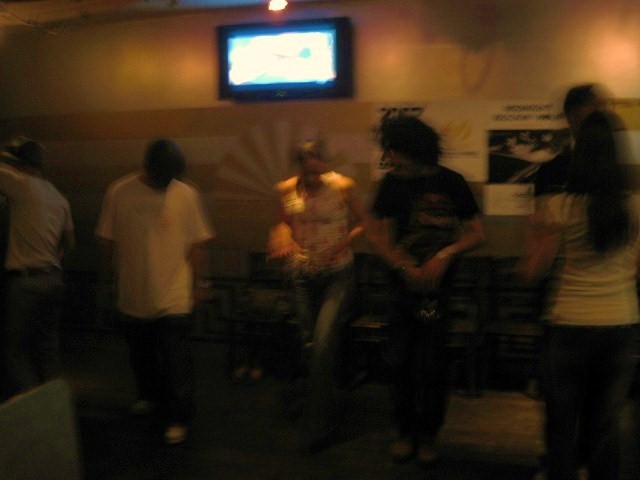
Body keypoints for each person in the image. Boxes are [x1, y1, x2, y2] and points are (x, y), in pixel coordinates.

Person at [520, 109, 639, 480]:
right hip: (621, 322)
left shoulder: (557, 207)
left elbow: (533, 272)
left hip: (569, 321)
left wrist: (534, 234)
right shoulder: (635, 205)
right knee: (606, 422)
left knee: (561, 421)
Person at [366, 115, 484, 465]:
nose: (389, 158)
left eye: (395, 151)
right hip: (401, 289)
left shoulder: (452, 182)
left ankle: (429, 434)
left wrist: (446, 255)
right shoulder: (391, 184)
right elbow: (375, 235)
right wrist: (402, 266)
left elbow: (477, 234)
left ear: (416, 150)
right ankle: (405, 432)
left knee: (432, 363)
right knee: (399, 361)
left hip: (435, 294)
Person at [96, 139, 215, 445]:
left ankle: (178, 417)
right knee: (142, 354)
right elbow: (107, 241)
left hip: (174, 291)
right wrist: (107, 282)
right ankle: (148, 394)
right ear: (147, 168)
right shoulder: (119, 191)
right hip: (133, 291)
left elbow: (197, 243)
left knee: (176, 360)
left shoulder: (185, 194)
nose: (167, 183)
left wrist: (199, 284)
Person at [267, 139, 365, 452]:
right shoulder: (287, 189)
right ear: (299, 166)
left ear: (324, 163)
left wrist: (342, 243)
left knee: (322, 344)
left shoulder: (342, 186)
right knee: (310, 344)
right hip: (301, 275)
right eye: (306, 169)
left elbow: (365, 222)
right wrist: (280, 235)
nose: (312, 175)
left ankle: (317, 424)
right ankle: (322, 399)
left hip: (337, 273)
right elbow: (282, 224)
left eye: (316, 167)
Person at [0, 136, 75, 400]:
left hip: (25, 281)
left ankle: (32, 401)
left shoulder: (20, 184)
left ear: (19, 164)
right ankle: (53, 403)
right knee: (47, 347)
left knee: (13, 350)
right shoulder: (59, 197)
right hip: (53, 279)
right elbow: (69, 243)